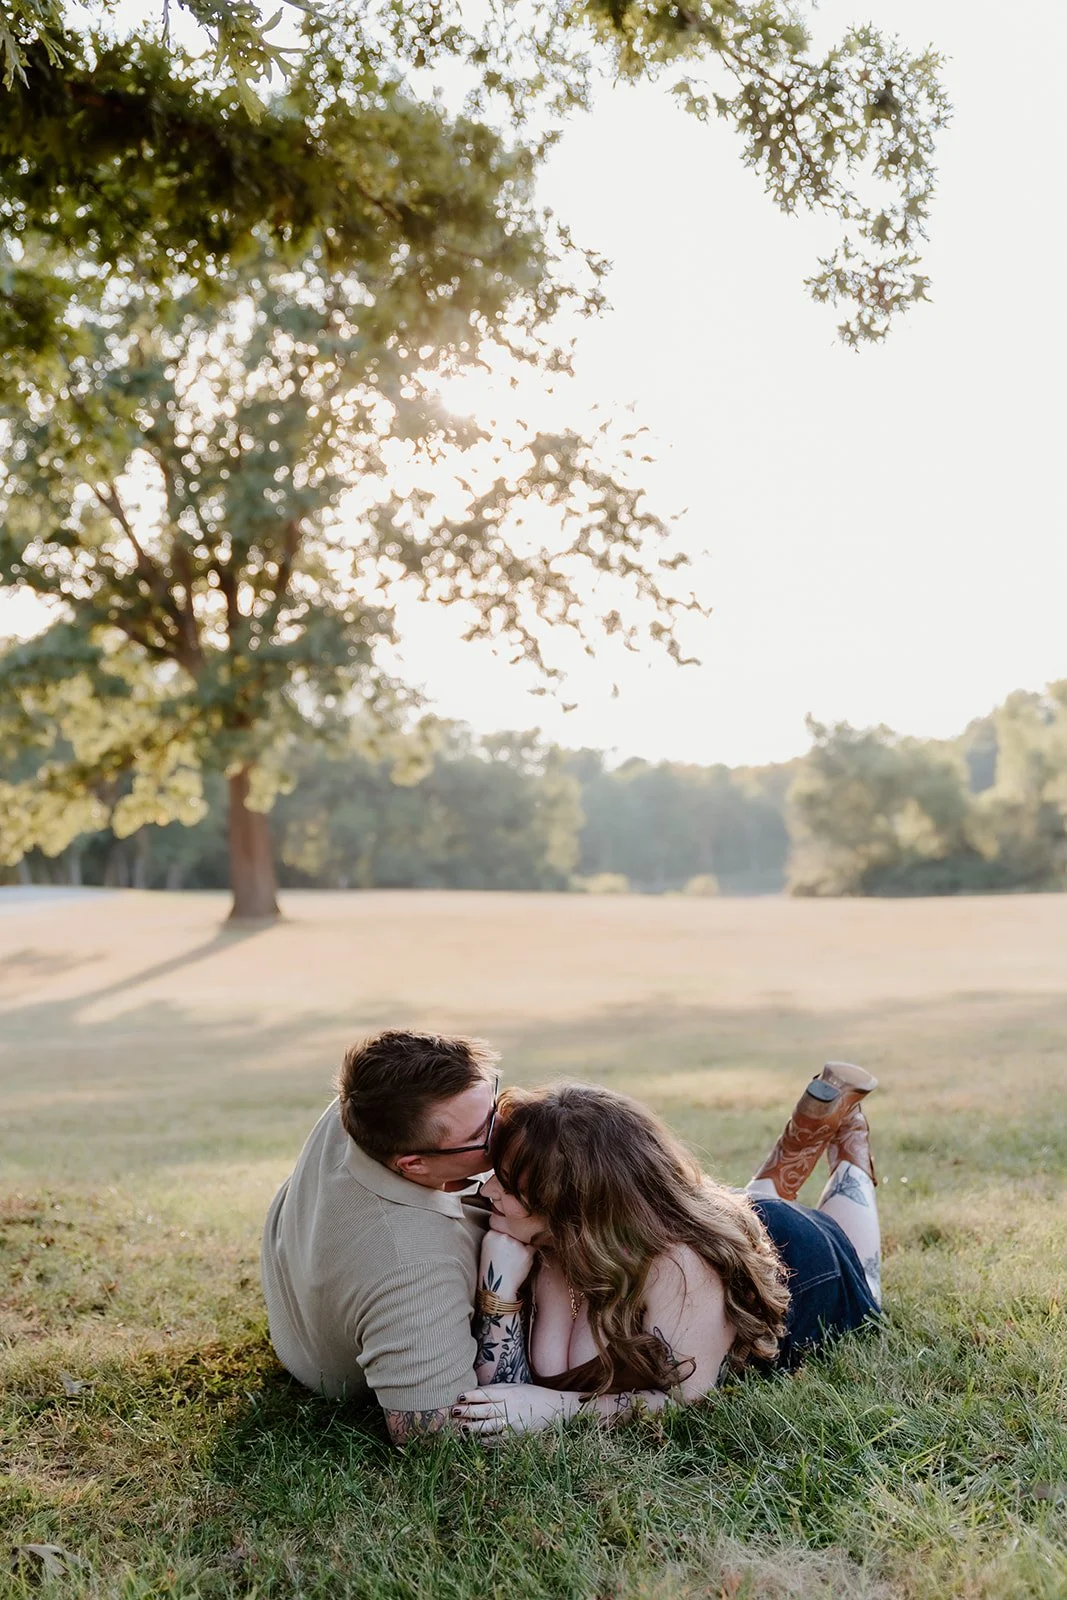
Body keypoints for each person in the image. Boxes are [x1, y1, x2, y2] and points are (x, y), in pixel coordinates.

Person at [453, 1063, 882, 1437]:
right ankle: (798, 1141)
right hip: (700, 1221)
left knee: (863, 1269)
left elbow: (688, 1401)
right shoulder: (546, 1242)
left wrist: (561, 1409)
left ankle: (851, 1148)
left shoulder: (680, 1268)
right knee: (743, 1207)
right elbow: (500, 1396)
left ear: (571, 1208)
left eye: (508, 1185)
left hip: (804, 1264)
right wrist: (498, 1290)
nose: (487, 1191)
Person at [260, 1028, 500, 1445]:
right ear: (414, 1164)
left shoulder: (368, 1104)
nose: (508, 1126)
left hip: (300, 1277)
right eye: (480, 1134)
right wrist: (580, 1405)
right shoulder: (413, 1265)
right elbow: (432, 1431)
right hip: (324, 1355)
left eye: (494, 1101)